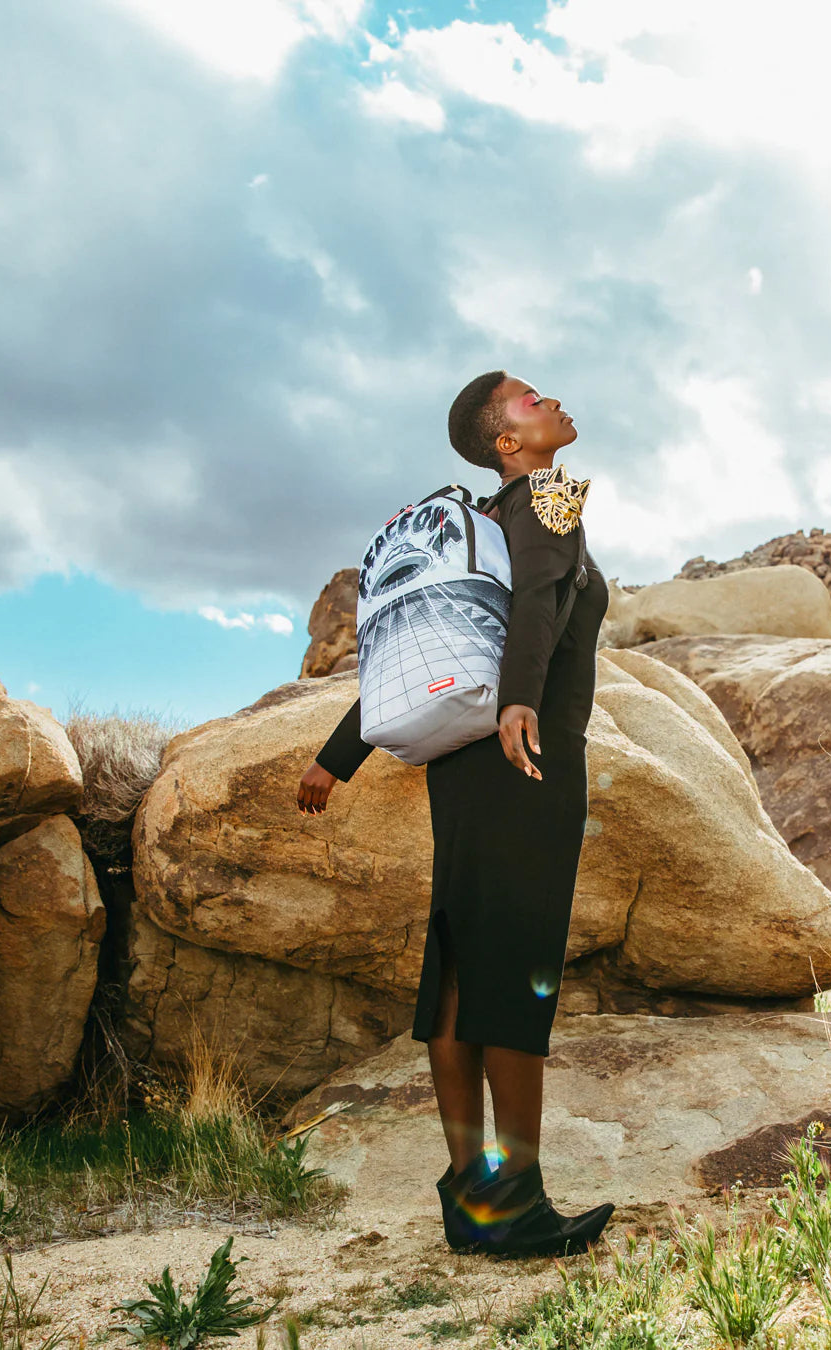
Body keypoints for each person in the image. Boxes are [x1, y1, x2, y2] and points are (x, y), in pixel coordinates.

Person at [296, 370, 613, 1258]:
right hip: (527, 752)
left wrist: (337, 756)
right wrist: (522, 704)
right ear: (508, 443)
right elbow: (540, 600)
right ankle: (517, 1200)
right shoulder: (545, 497)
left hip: (463, 762)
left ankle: (470, 1189)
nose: (553, 401)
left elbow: (431, 640)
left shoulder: (476, 523)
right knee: (513, 964)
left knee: (463, 964)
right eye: (531, 401)